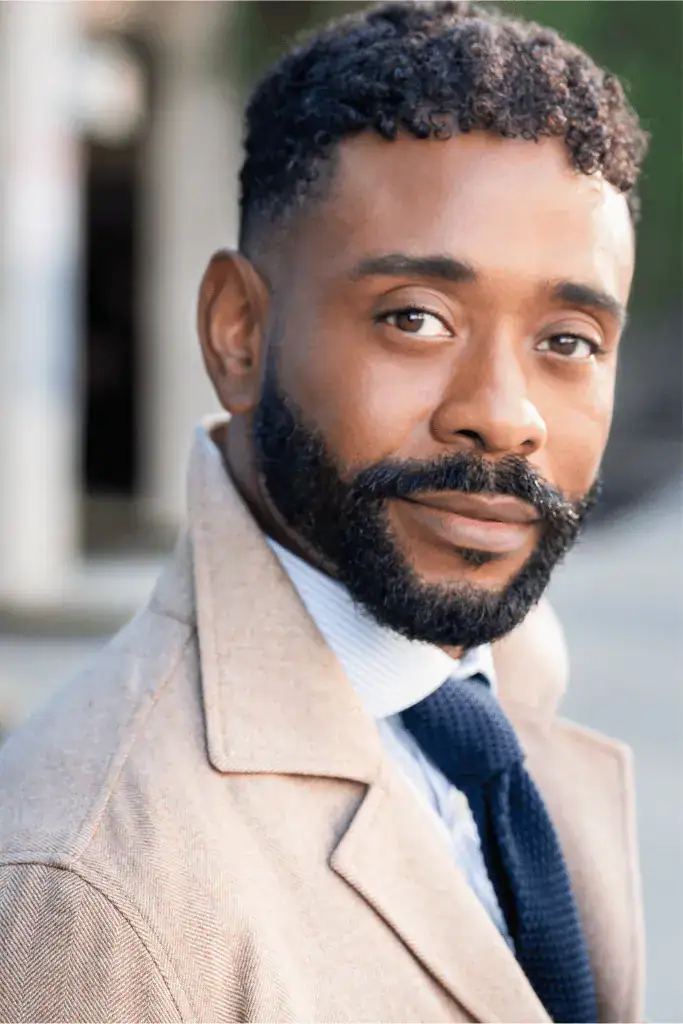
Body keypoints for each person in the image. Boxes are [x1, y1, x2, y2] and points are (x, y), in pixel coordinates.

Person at [0, 3, 648, 1021]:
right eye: (414, 319)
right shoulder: (92, 885)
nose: (501, 417)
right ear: (239, 333)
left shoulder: (498, 683)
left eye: (566, 340)